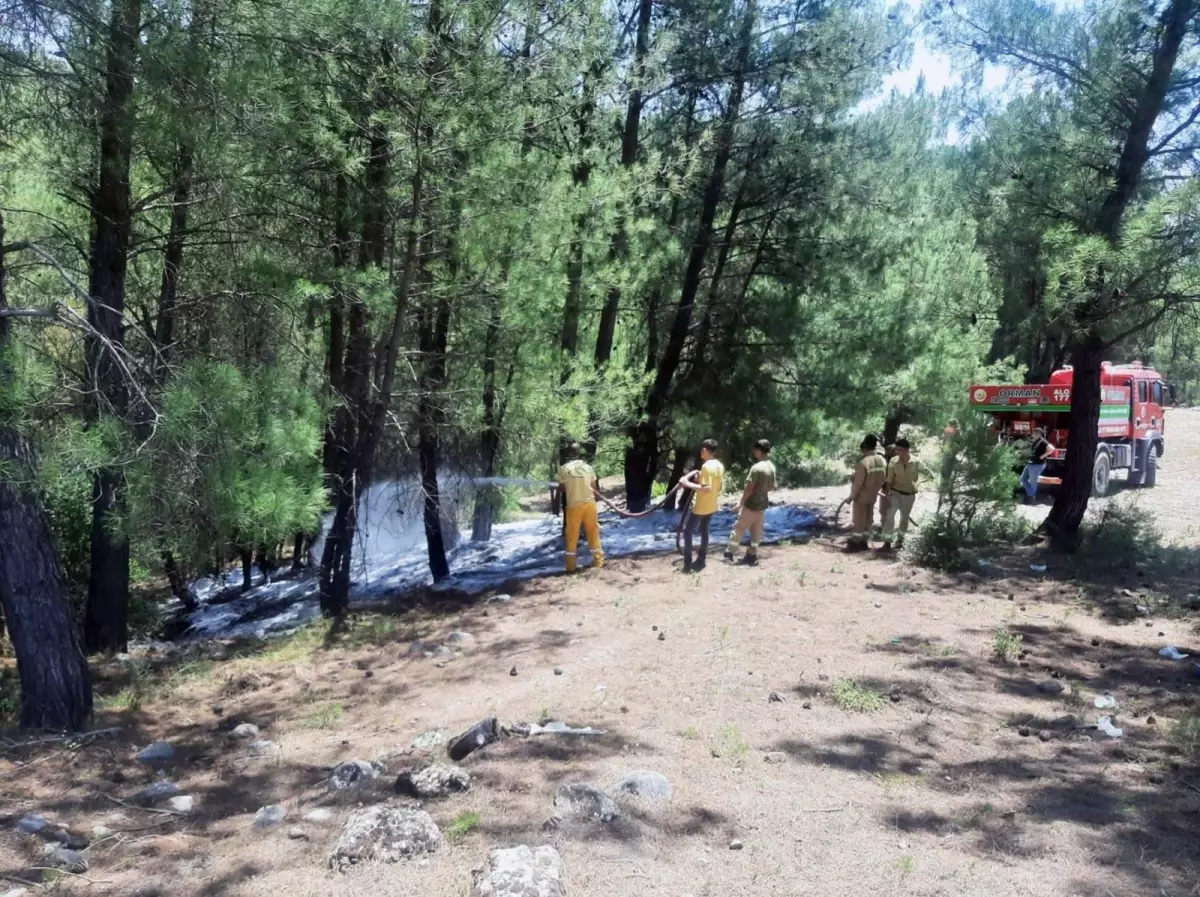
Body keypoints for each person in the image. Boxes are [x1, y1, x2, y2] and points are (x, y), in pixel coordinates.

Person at [725, 438, 777, 565]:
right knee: (757, 530)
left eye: (755, 449)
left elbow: (749, 488)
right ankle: (752, 554)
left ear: (759, 450)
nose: (753, 451)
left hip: (751, 504)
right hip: (762, 504)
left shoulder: (756, 468)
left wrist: (740, 503)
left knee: (739, 528)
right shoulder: (771, 467)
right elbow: (773, 486)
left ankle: (729, 553)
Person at [555, 442, 604, 573]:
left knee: (572, 536)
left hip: (574, 506)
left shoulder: (563, 469)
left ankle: (571, 567)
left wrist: (564, 486)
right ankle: (598, 562)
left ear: (568, 454)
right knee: (593, 532)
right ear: (579, 454)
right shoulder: (588, 468)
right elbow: (595, 488)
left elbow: (561, 489)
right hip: (590, 505)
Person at [679, 438, 724, 572]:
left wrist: (685, 483)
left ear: (705, 450)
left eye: (701, 450)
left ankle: (687, 564)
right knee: (704, 531)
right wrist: (700, 478)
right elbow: (717, 485)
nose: (700, 452)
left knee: (687, 532)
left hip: (701, 506)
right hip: (712, 504)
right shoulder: (719, 465)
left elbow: (706, 488)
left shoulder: (706, 466)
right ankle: (701, 559)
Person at [847, 434, 886, 552]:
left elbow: (858, 483)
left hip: (861, 495)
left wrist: (851, 497)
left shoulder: (864, 462)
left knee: (859, 519)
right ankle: (865, 541)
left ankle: (855, 543)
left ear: (864, 447)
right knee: (869, 518)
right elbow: (883, 478)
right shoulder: (882, 460)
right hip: (873, 494)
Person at [881, 437, 918, 549]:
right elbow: (889, 479)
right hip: (895, 492)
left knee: (904, 518)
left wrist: (918, 485)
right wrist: (887, 493)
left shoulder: (916, 462)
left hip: (909, 494)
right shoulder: (893, 461)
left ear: (907, 450)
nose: (897, 452)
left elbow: (926, 476)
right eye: (896, 450)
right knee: (890, 516)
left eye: (900, 450)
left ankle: (900, 541)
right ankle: (887, 542)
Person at [1020, 426, 1054, 504]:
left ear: (1038, 433)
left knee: (1033, 482)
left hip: (1037, 465)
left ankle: (1031, 498)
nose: (1032, 434)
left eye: (1034, 433)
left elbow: (1052, 449)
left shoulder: (1043, 441)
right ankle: (1030, 495)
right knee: (1023, 479)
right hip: (1030, 463)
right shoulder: (1036, 441)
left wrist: (1043, 456)